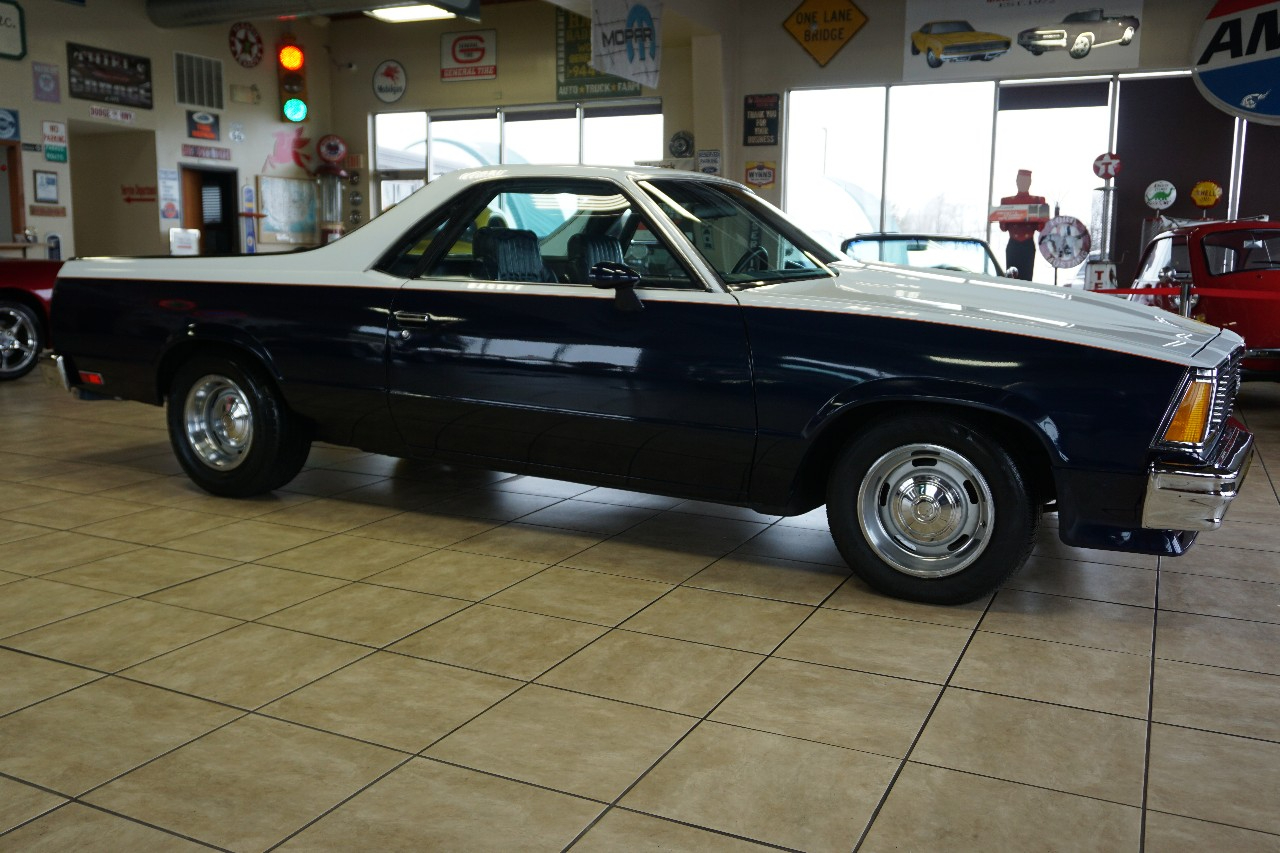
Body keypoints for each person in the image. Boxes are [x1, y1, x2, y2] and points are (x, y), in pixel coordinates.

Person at [998, 169, 1047, 281]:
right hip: (1013, 244)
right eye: (1021, 180)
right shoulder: (1007, 201)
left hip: (1027, 244)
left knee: (1026, 279)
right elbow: (1003, 227)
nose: (1023, 183)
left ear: (1030, 182)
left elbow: (1042, 227)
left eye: (1026, 181)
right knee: (1011, 278)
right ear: (1016, 181)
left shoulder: (1038, 201)